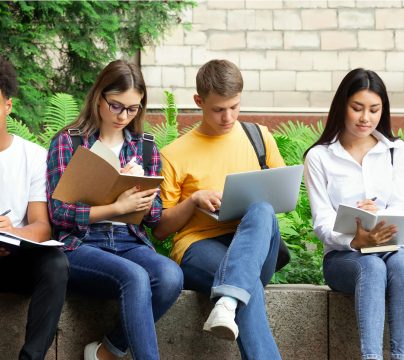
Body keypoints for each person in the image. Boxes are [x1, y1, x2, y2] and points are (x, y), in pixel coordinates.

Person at [46, 60, 183, 360]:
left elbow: (155, 216)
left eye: (133, 109)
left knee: (170, 276)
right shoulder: (69, 142)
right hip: (81, 244)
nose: (124, 116)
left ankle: (109, 349)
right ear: (99, 97)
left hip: (129, 241)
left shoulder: (145, 146)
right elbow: (58, 213)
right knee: (135, 277)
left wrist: (143, 198)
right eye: (116, 106)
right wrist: (114, 207)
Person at [153, 59, 285, 360]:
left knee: (262, 208)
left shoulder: (259, 137)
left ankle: (227, 300)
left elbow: (280, 198)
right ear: (199, 101)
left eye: (234, 107)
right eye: (218, 109)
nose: (228, 117)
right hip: (199, 247)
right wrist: (194, 200)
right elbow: (160, 229)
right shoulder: (174, 154)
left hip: (254, 244)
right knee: (245, 285)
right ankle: (230, 298)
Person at [304, 68, 404, 360]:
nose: (365, 118)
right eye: (357, 108)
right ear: (342, 107)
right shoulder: (320, 157)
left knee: (402, 264)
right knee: (371, 267)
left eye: (374, 110)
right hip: (343, 257)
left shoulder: (395, 152)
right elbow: (322, 221)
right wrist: (354, 241)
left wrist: (381, 213)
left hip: (391, 247)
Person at [0, 58, 69, 360]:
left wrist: (13, 233)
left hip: (16, 258)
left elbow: (42, 225)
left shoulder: (33, 156)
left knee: (55, 263)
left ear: (8, 106)